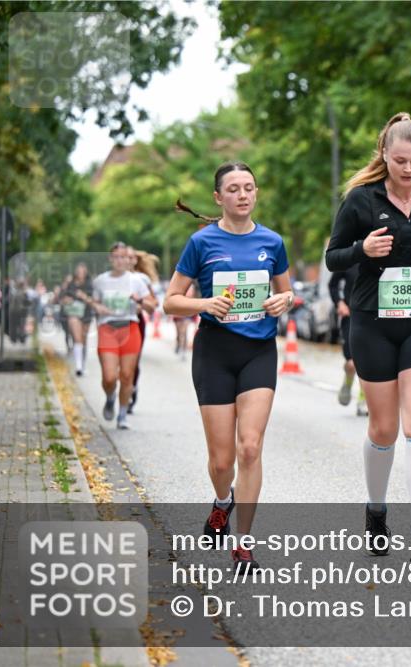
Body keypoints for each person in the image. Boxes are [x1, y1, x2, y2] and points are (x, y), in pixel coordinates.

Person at [325, 112, 411, 563]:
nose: (407, 169)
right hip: (372, 320)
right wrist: (362, 249)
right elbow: (332, 258)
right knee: (384, 428)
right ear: (384, 154)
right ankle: (376, 509)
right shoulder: (360, 200)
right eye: (400, 160)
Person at [163, 162, 293, 576]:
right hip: (214, 352)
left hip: (259, 351)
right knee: (222, 462)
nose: (243, 194)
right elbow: (170, 300)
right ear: (219, 197)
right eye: (233, 189)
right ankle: (223, 500)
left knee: (250, 447)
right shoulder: (201, 243)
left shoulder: (272, 242)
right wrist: (204, 304)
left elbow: (286, 290)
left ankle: (244, 543)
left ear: (256, 193)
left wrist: (283, 301)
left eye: (249, 187)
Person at [90, 242, 156, 430]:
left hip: (130, 327)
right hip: (107, 328)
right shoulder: (100, 281)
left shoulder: (137, 281)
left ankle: (122, 414)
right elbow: (94, 302)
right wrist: (98, 307)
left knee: (127, 375)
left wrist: (139, 300)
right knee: (110, 377)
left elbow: (152, 307)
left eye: (123, 257)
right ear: (111, 259)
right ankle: (110, 397)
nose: (120, 261)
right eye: (116, 257)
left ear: (128, 260)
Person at [328, 264, 368, 416]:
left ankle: (364, 401)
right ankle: (349, 379)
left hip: (372, 316)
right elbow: (332, 285)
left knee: (369, 362)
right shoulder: (351, 257)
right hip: (350, 316)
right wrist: (339, 303)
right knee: (352, 363)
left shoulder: (381, 257)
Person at [125, 246, 159, 414]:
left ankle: (131, 388)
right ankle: (121, 389)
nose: (128, 260)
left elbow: (154, 303)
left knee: (133, 362)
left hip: (136, 322)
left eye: (131, 257)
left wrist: (139, 303)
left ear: (136, 260)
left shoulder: (142, 279)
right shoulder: (111, 278)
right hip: (115, 323)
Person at [60, 263, 94, 376]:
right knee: (77, 338)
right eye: (78, 271)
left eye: (82, 271)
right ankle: (78, 366)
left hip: (87, 313)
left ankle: (83, 365)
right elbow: (63, 297)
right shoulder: (71, 284)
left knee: (84, 340)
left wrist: (83, 296)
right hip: (74, 313)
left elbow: (93, 300)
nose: (80, 273)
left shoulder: (90, 284)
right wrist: (66, 299)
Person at [173, 281, 199, 361]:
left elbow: (193, 298)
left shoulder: (192, 287)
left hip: (187, 313)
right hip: (178, 312)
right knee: (179, 332)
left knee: (184, 332)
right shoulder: (179, 284)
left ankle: (183, 351)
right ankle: (178, 344)